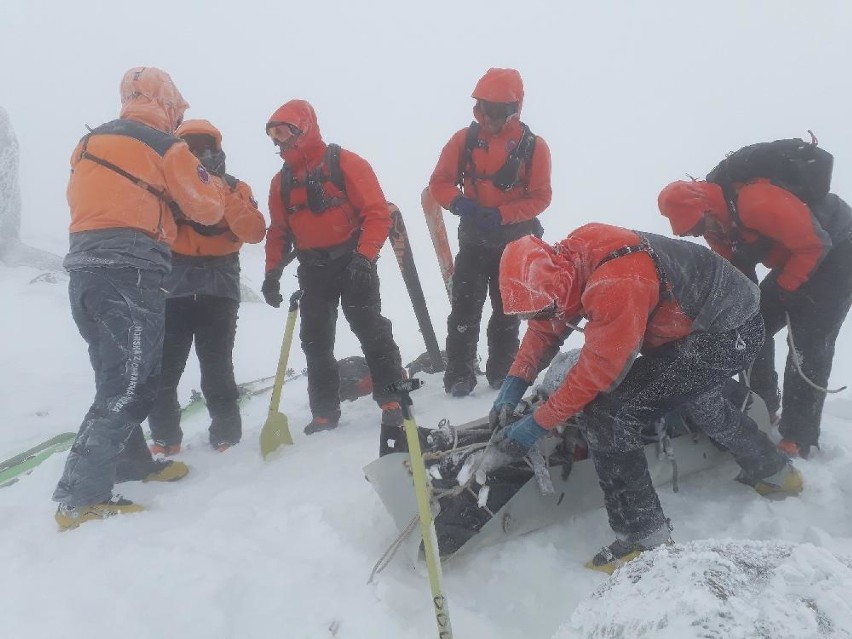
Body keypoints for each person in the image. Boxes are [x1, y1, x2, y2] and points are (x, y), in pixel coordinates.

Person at [483, 224, 802, 573]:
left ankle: (643, 537)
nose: (542, 318)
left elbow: (597, 373)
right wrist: (512, 387)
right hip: (704, 322)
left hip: (727, 332)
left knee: (610, 413)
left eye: (543, 309)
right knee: (699, 398)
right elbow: (548, 323)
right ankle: (772, 470)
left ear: (556, 282)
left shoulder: (616, 281)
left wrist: (535, 426)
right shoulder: (568, 262)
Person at [53, 67, 226, 529]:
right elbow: (207, 207)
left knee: (119, 375)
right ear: (167, 103)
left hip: (85, 270)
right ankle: (80, 498)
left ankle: (130, 463)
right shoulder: (165, 146)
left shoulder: (88, 143)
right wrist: (209, 178)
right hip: (129, 272)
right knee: (131, 385)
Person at [658, 178, 852, 458]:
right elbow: (739, 276)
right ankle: (764, 406)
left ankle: (798, 435)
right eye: (691, 233)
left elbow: (815, 244)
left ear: (708, 211)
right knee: (750, 326)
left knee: (808, 344)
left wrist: (785, 288)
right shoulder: (717, 231)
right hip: (795, 257)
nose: (699, 234)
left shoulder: (755, 201)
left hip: (837, 252)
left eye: (698, 226)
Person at [261, 99, 405, 456]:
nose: (279, 141)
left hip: (353, 260)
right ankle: (324, 411)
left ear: (304, 128)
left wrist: (364, 256)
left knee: (370, 327)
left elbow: (377, 214)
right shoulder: (281, 183)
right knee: (315, 341)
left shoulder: (345, 163)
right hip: (313, 269)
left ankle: (391, 397)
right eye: (273, 134)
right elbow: (279, 231)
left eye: (284, 131)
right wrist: (271, 273)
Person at [428, 67, 552, 397]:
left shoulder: (534, 147)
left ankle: (502, 371)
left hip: (515, 242)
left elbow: (542, 196)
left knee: (507, 310)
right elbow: (438, 183)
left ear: (515, 109)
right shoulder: (464, 140)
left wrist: (503, 215)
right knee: (464, 309)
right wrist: (460, 204)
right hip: (473, 240)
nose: (490, 117)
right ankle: (459, 374)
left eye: (498, 110)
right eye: (485, 108)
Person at [146, 119, 266, 455]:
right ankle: (165, 438)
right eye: (190, 149)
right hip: (174, 287)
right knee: (164, 369)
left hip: (218, 285)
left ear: (218, 151)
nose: (199, 156)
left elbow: (255, 231)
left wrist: (219, 191)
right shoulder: (166, 189)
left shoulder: (235, 188)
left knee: (216, 367)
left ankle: (226, 434)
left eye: (205, 148)